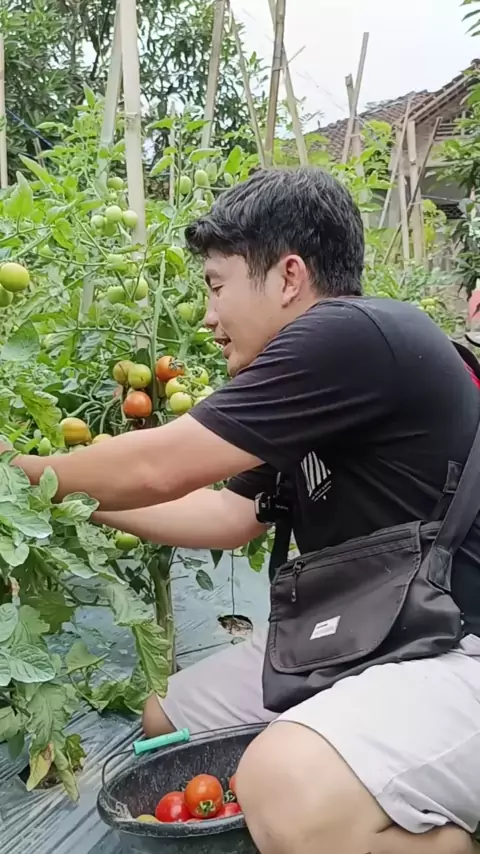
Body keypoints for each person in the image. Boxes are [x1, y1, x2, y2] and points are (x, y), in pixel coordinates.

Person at [7, 167, 480, 854]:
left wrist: (16, 473)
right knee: (168, 719)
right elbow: (228, 517)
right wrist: (72, 501)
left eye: (216, 285)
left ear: (288, 277)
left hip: (456, 647)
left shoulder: (349, 333)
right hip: (371, 637)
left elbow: (158, 466)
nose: (208, 317)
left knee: (281, 785)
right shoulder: (316, 388)